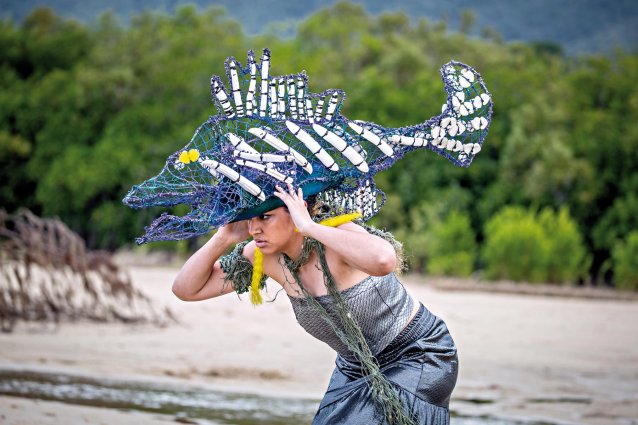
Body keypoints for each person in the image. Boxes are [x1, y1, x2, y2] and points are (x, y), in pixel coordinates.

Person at [172, 183, 459, 425]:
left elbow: (385, 261)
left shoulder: (335, 233)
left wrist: (310, 227)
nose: (255, 229)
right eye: (252, 219)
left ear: (297, 210)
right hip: (354, 366)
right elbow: (186, 289)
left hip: (417, 353)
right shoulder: (262, 256)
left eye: (265, 217)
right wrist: (223, 238)